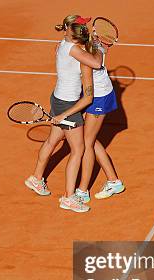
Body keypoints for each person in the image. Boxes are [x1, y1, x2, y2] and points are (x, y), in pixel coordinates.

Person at [24, 15, 102, 213]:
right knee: (78, 150)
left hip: (57, 98)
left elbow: (86, 57)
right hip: (68, 105)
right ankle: (69, 198)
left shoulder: (61, 44)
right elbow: (89, 95)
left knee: (52, 140)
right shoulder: (81, 58)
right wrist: (99, 48)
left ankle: (36, 178)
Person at [74, 39, 125, 202]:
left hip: (98, 97)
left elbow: (95, 63)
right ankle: (113, 180)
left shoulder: (89, 50)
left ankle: (82, 190)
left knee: (87, 142)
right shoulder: (91, 45)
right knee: (90, 139)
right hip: (93, 94)